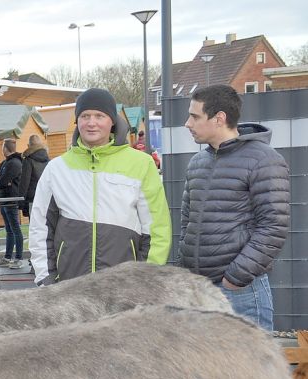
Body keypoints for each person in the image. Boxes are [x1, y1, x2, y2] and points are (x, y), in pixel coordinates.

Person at [28, 88, 171, 286]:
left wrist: (146, 280)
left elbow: (156, 229)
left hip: (125, 288)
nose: (91, 123)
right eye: (85, 116)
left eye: (99, 116)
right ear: (77, 121)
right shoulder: (56, 169)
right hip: (69, 288)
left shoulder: (141, 164)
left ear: (112, 120)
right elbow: (40, 229)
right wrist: (46, 280)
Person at [181, 84, 290, 330]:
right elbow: (188, 221)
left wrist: (235, 279)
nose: (187, 123)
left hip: (241, 292)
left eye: (194, 116)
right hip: (199, 291)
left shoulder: (264, 160)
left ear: (219, 118)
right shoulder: (198, 162)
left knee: (251, 368)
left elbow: (273, 227)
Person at [0, 139, 24, 269]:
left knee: (15, 229)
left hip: (10, 200)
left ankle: (18, 258)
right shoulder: (5, 162)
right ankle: (7, 257)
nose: (1, 149)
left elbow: (2, 182)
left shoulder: (14, 163)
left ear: (5, 148)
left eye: (2, 147)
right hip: (3, 200)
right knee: (9, 230)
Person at [18, 134, 49, 218]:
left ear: (29, 146)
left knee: (35, 228)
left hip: (33, 199)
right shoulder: (48, 160)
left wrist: (20, 201)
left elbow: (24, 182)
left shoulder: (28, 161)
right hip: (47, 198)